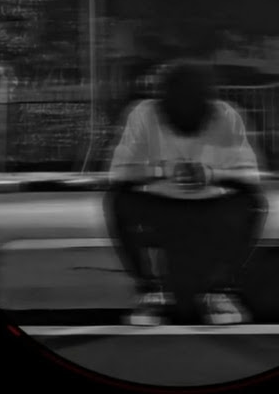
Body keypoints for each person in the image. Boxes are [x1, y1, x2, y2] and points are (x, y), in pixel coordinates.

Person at [103, 60, 268, 325]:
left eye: (193, 104)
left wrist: (210, 175)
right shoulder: (144, 114)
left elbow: (250, 177)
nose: (185, 109)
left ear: (207, 102)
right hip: (160, 207)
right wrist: (164, 171)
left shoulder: (226, 115)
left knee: (253, 203)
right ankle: (151, 291)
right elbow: (119, 174)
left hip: (211, 207)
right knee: (117, 200)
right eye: (177, 104)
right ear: (163, 101)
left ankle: (220, 291)